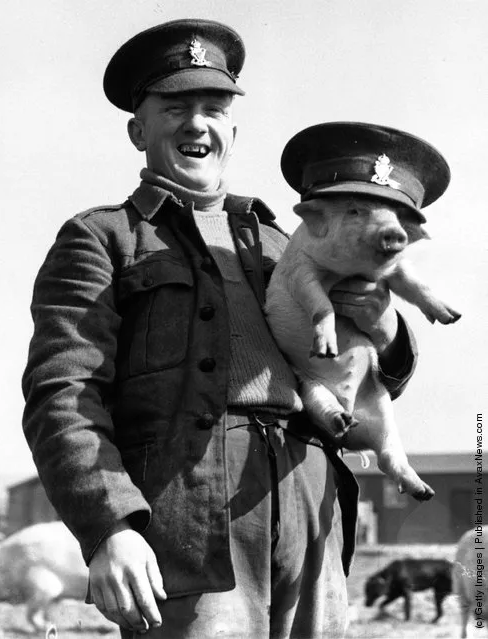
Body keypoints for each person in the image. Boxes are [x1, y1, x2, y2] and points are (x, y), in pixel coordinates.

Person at [22, 19, 417, 638]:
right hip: (190, 515)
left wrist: (389, 329)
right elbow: (64, 392)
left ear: (233, 128)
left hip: (309, 492)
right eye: (175, 107)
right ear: (138, 129)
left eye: (213, 107)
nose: (196, 123)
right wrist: (110, 526)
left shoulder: (286, 241)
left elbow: (360, 376)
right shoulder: (102, 238)